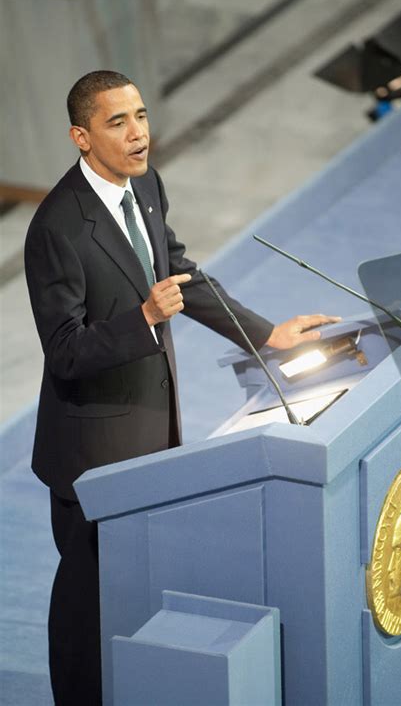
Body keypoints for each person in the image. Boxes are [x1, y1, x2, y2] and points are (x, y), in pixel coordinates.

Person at [24, 70, 341, 705]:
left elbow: (180, 277)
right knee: (87, 596)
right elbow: (63, 352)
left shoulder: (146, 187)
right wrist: (140, 320)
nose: (139, 133)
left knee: (141, 585)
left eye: (141, 115)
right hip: (92, 451)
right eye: (118, 122)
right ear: (80, 137)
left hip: (150, 427)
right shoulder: (57, 228)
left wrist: (268, 334)